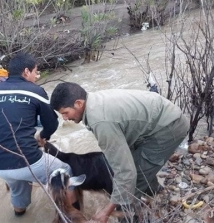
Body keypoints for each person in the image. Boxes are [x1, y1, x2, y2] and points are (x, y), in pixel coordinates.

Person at [50, 82, 189, 223]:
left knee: (131, 186)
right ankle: (156, 194)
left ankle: (130, 218)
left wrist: (107, 211)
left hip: (169, 127)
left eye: (65, 113)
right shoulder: (93, 101)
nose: (65, 119)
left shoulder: (101, 122)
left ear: (78, 103)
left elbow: (126, 174)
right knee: (137, 166)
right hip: (158, 120)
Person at [0, 53, 76, 216]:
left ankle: (20, 214)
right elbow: (52, 123)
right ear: (26, 71)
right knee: (64, 170)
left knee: (18, 187)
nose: (37, 76)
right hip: (28, 160)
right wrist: (42, 137)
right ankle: (70, 214)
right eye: (36, 71)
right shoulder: (35, 91)